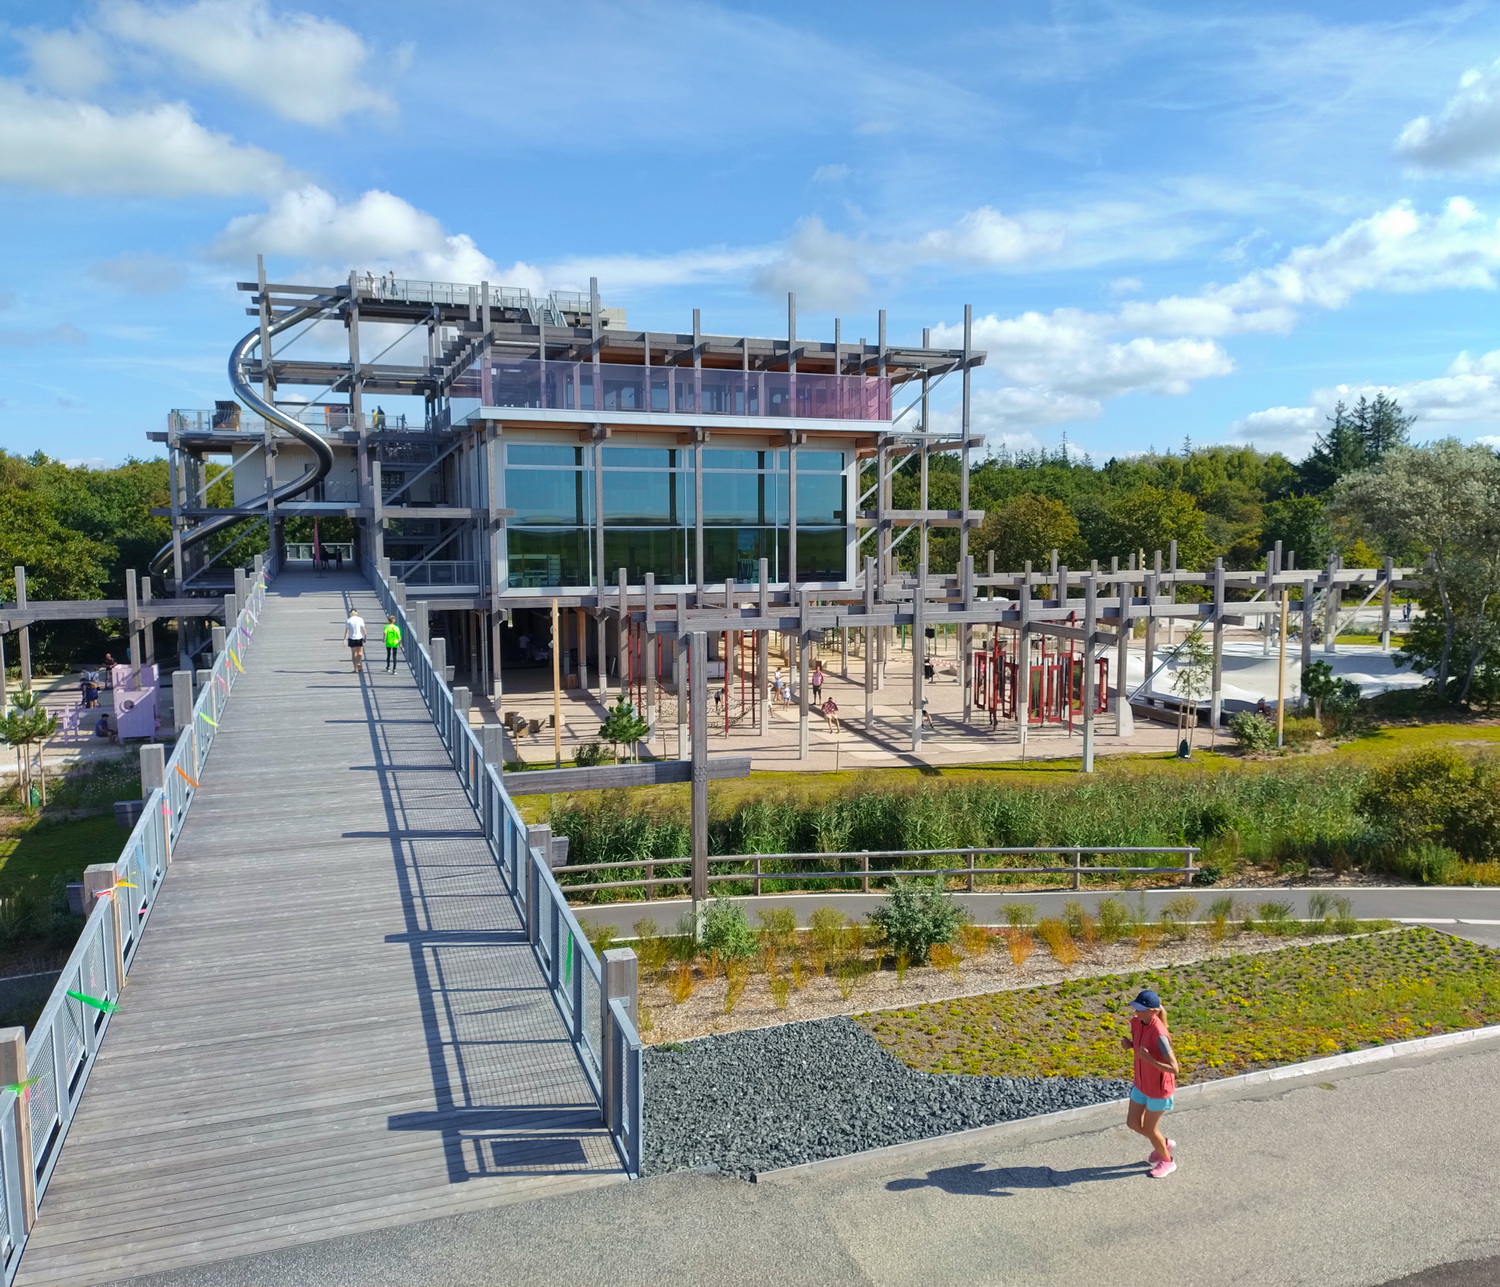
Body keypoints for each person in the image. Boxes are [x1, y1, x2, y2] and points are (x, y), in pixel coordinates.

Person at [1121, 989, 1179, 1178]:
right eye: (1136, 1007)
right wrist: (1130, 1045)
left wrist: (1148, 1059)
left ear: (1153, 1011)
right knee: (1132, 1123)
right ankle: (1163, 1142)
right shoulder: (1138, 1023)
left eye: (1141, 1009)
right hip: (1141, 1083)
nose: (1136, 1012)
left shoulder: (1160, 1034)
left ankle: (1167, 1162)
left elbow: (1174, 1068)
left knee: (1149, 1128)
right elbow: (1140, 1046)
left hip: (1158, 1089)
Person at [345, 608, 368, 674]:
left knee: (353, 653)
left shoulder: (348, 620)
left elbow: (347, 631)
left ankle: (355, 668)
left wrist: (345, 640)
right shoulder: (360, 619)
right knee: (360, 652)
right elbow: (364, 630)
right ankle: (358, 662)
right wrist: (365, 637)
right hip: (359, 637)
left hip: (352, 638)